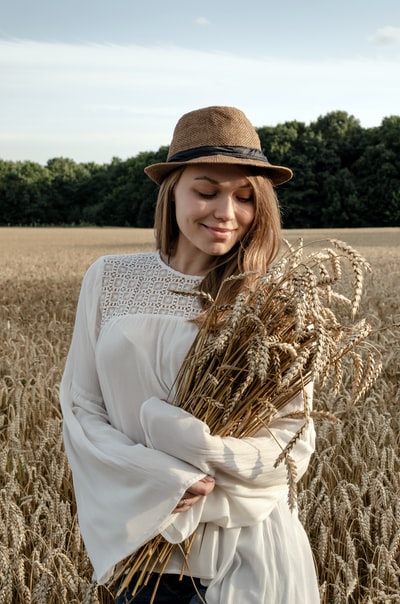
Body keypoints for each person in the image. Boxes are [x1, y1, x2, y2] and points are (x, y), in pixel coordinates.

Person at [60, 106, 320, 603]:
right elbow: (80, 408)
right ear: (172, 190)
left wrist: (205, 455)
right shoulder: (110, 278)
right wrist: (162, 477)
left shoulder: (274, 298)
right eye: (206, 191)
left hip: (249, 555)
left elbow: (293, 441)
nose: (226, 212)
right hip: (145, 551)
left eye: (245, 197)